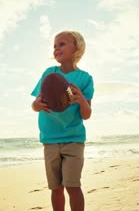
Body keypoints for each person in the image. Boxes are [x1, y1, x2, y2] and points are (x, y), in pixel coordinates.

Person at [31, 30, 94, 211]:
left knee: (73, 186)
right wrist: (36, 105)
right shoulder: (49, 74)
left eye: (62, 44)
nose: (56, 48)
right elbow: (35, 105)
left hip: (73, 139)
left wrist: (81, 99)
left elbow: (87, 115)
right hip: (50, 140)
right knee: (56, 188)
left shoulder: (84, 78)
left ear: (77, 49)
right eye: (54, 46)